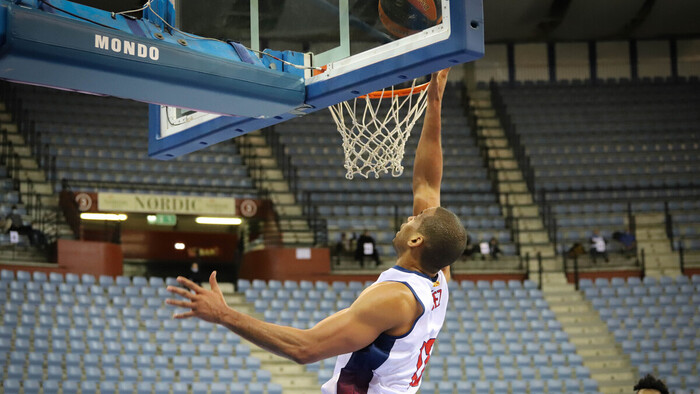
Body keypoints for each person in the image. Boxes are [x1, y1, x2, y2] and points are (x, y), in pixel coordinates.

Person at [166, 69, 467, 393]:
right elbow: (427, 182)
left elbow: (304, 348)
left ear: (416, 240)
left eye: (415, 220)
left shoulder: (396, 298)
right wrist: (433, 100)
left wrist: (225, 315)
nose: (409, 217)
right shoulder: (438, 279)